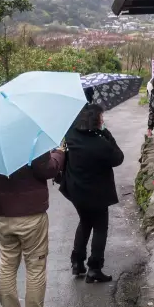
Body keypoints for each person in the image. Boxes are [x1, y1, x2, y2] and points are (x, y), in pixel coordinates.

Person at [0, 150, 65, 307]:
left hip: (3, 215)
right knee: (35, 265)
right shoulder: (29, 136)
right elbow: (46, 169)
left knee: (7, 264)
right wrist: (59, 154)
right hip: (31, 215)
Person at [60, 103, 124, 283]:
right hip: (98, 193)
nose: (103, 120)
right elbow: (118, 158)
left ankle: (77, 262)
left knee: (85, 222)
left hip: (76, 191)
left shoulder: (71, 135)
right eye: (101, 117)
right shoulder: (101, 143)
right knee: (100, 227)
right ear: (97, 120)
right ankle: (94, 268)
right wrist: (107, 134)